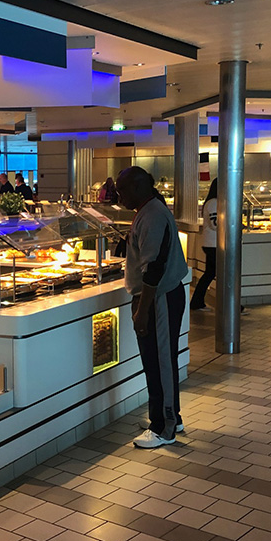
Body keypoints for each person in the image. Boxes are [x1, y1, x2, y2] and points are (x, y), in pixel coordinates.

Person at [116, 166, 188, 449]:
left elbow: (154, 269)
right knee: (157, 361)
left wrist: (142, 311)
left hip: (160, 299)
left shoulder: (152, 215)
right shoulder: (148, 210)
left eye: (122, 191)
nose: (119, 197)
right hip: (159, 298)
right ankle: (170, 417)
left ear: (137, 187)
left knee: (160, 363)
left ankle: (163, 428)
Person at [189, 178, 218, 311]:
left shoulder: (211, 202)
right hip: (214, 244)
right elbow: (215, 224)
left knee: (209, 274)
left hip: (211, 243)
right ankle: (232, 305)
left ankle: (197, 302)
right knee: (222, 274)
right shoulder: (214, 203)